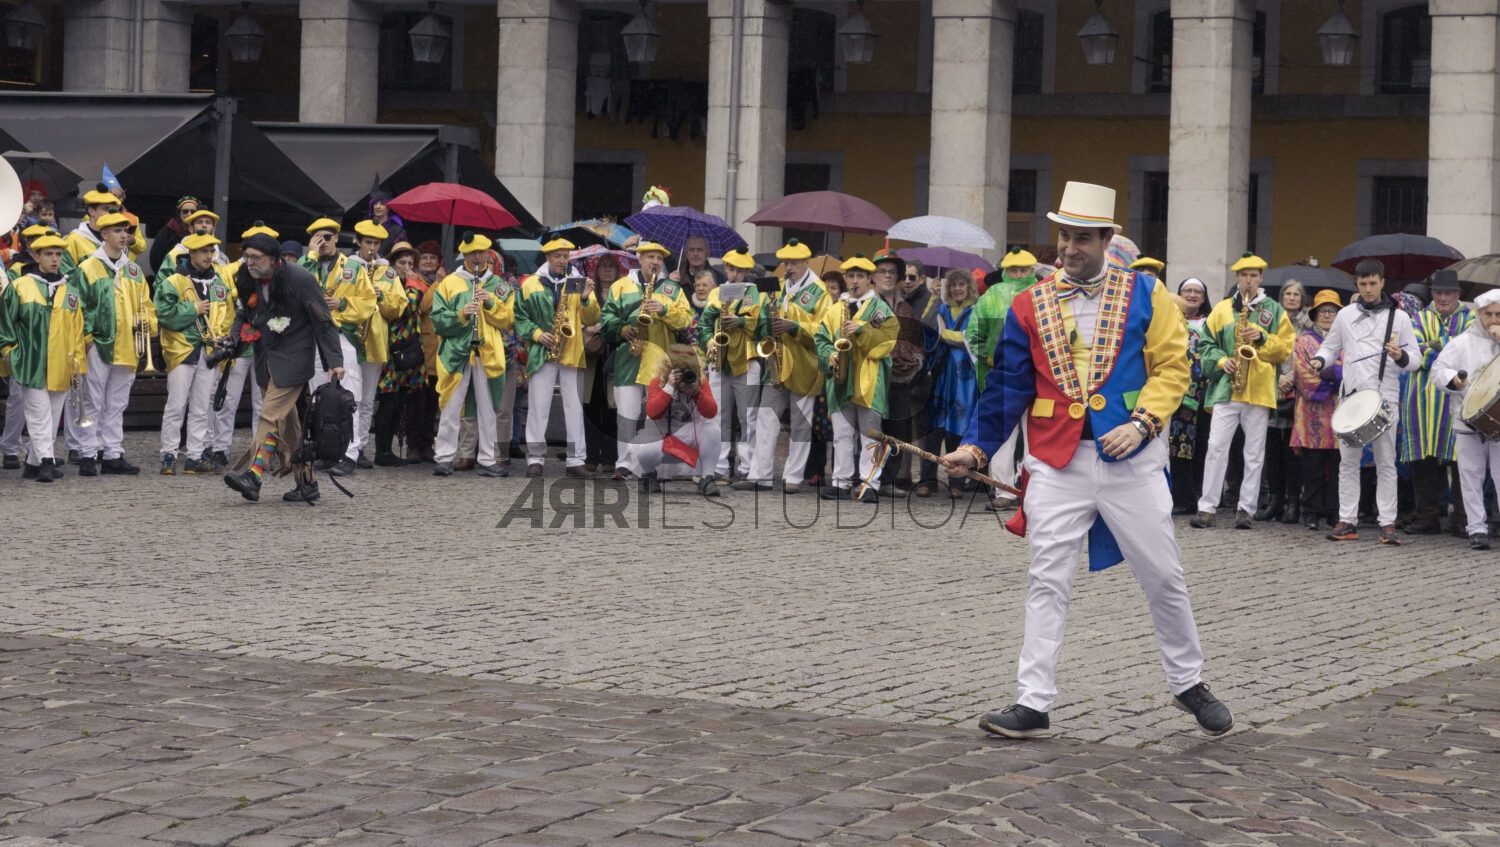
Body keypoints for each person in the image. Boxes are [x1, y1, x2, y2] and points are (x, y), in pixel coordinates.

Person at [940, 181, 1231, 740]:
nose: (1068, 248)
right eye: (1064, 237)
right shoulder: (1029, 303)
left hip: (1132, 459)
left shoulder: (1149, 293)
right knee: (1047, 579)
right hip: (1056, 460)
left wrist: (1143, 423)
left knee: (1163, 574)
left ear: (1105, 240)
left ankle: (1188, 682)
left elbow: (1173, 367)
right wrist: (975, 447)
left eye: (1081, 239)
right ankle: (1033, 702)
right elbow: (1007, 386)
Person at [223, 234, 346, 503]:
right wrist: (232, 342)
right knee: (289, 426)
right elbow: (244, 315)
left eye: (256, 257)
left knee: (269, 415)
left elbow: (322, 320)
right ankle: (307, 483)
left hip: (294, 358)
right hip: (265, 359)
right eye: (246, 256)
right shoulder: (247, 276)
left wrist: (335, 361)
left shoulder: (300, 278)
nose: (249, 262)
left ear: (272, 258)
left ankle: (254, 476)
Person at [1311, 259, 1421, 544]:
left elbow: (1416, 360)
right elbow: (1330, 346)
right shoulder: (1345, 315)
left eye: (1373, 283)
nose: (1368, 289)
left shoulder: (1399, 318)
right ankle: (1347, 520)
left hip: (1384, 398)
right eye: (1363, 284)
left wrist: (1400, 356)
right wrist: (1320, 360)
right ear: (1357, 284)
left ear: (1382, 282)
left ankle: (1388, 523)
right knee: (1348, 463)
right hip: (1352, 397)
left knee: (1386, 463)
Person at [1190, 253, 1294, 529]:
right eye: (1244, 275)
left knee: (1254, 452)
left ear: (1261, 278)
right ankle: (1207, 508)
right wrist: (1222, 361)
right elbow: (1206, 345)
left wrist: (1262, 337)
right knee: (1216, 447)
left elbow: (1285, 348)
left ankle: (1246, 509)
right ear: (1237, 278)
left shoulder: (1275, 310)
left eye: (1253, 276)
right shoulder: (1222, 309)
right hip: (1227, 388)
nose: (1248, 280)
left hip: (1259, 390)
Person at [735, 239, 830, 494]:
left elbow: (824, 330)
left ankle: (793, 477)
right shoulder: (777, 287)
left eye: (794, 263)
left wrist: (794, 326)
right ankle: (760, 475)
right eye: (786, 262)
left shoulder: (820, 291)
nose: (789, 267)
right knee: (765, 418)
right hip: (777, 361)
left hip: (805, 364)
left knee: (800, 423)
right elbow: (762, 320)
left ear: (806, 263)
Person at [73, 209, 153, 476]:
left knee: (118, 402)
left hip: (128, 344)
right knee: (93, 401)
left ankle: (113, 453)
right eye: (117, 231)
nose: (123, 235)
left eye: (126, 231)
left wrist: (147, 324)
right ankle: (87, 453)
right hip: (98, 344)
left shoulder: (134, 270)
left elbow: (146, 305)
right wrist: (87, 339)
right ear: (104, 234)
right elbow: (79, 308)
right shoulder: (87, 267)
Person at [0, 234, 86, 482]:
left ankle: (32, 463)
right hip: (30, 361)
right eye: (48, 254)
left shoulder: (70, 292)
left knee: (53, 413)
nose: (55, 259)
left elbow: (77, 332)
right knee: (39, 412)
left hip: (62, 363)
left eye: (58, 254)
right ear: (36, 256)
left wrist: (78, 366)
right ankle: (47, 460)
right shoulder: (20, 286)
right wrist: (9, 352)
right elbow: (6, 323)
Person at [601, 241, 688, 480]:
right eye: (650, 257)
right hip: (627, 360)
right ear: (639, 259)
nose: (655, 262)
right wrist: (621, 330)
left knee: (655, 418)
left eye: (659, 259)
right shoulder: (621, 286)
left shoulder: (672, 288)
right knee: (626, 417)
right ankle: (625, 464)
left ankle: (650, 465)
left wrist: (664, 310)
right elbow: (607, 318)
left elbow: (686, 319)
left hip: (659, 361)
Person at [816, 254, 898, 502]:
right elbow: (821, 339)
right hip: (840, 379)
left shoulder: (880, 309)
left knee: (870, 435)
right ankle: (841, 482)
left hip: (869, 380)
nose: (854, 281)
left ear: (869, 278)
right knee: (841, 434)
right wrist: (830, 355)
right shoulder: (835, 309)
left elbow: (888, 340)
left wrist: (861, 330)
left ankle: (869, 484)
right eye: (850, 276)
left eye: (860, 276)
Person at [431, 232, 514, 477]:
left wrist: (490, 303)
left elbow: (508, 320)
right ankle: (444, 457)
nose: (476, 258)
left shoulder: (500, 286)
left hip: (487, 352)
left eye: (480, 252)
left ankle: (488, 459)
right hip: (456, 352)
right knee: (450, 406)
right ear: (464, 255)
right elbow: (437, 321)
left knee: (488, 408)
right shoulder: (450, 283)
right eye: (471, 253)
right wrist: (461, 315)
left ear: (488, 254)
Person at [515, 237, 600, 477]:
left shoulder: (577, 281)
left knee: (574, 407)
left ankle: (576, 460)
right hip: (542, 350)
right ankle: (535, 459)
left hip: (571, 349)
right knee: (538, 407)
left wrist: (586, 298)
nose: (563, 260)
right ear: (548, 257)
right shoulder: (530, 284)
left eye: (565, 256)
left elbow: (592, 318)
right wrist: (537, 334)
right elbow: (519, 316)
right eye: (558, 256)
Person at [300, 217, 377, 477]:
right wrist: (310, 256)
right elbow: (294, 290)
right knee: (318, 397)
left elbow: (368, 302)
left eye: (328, 237)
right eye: (317, 238)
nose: (323, 242)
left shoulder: (353, 268)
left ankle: (350, 453)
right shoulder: (305, 265)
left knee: (348, 396)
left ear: (336, 238)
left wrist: (342, 304)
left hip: (342, 336)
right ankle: (327, 450)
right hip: (313, 337)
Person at [966, 247, 1042, 508]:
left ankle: (1033, 489)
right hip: (1002, 376)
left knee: (1035, 433)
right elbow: (973, 335)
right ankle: (1004, 491)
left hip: (1036, 377)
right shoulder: (992, 296)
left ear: (1032, 270)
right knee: (1002, 434)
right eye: (1014, 270)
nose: (1018, 274)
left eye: (1023, 270)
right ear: (1006, 270)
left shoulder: (1042, 293)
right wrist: (989, 358)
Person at [155, 232, 234, 475]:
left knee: (201, 407)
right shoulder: (174, 281)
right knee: (176, 405)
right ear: (191, 253)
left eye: (211, 251)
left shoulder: (219, 283)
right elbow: (163, 313)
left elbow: (228, 316)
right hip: (181, 349)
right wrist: (193, 309)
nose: (209, 256)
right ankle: (168, 454)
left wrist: (222, 337)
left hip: (209, 351)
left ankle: (195, 456)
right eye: (204, 251)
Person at [1401, 269, 1473, 535]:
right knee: (1423, 459)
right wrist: (1450, 347)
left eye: (1448, 293)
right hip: (1422, 399)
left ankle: (1463, 519)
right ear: (1432, 293)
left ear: (1458, 294)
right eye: (1438, 292)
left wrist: (1434, 345)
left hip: (1460, 398)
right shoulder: (1418, 318)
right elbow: (1415, 354)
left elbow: (1470, 353)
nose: (1443, 298)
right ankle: (1427, 516)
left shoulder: (1471, 318)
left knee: (1463, 459)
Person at [1432, 289, 1500, 550]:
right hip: (1467, 420)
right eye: (1488, 314)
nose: (1493, 319)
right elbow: (1438, 370)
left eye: (1498, 314)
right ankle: (1477, 529)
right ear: (1479, 314)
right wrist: (1453, 380)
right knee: (1470, 476)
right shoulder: (1462, 342)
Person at [212, 222, 278, 469]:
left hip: (266, 345)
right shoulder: (229, 271)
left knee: (264, 403)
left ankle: (261, 450)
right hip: (239, 342)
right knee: (229, 398)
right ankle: (220, 448)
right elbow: (223, 306)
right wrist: (229, 337)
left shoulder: (279, 273)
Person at [345, 220, 409, 468]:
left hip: (375, 340)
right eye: (368, 242)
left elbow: (398, 308)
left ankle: (360, 447)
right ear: (358, 242)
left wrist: (381, 297)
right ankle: (343, 446)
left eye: (376, 243)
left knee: (367, 398)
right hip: (350, 337)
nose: (372, 248)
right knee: (349, 396)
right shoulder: (346, 266)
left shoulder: (387, 272)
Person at [698, 247, 763, 481]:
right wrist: (709, 341)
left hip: (746, 360)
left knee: (748, 419)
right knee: (718, 418)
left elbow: (762, 324)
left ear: (747, 271)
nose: (735, 274)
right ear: (725, 268)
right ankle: (720, 467)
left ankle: (747, 468)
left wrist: (741, 322)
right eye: (731, 269)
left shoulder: (755, 292)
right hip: (719, 360)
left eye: (740, 270)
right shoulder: (717, 292)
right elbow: (704, 323)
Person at [880, 257, 939, 492]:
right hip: (884, 373)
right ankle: (890, 476)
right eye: (903, 277)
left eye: (911, 277)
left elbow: (927, 338)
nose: (906, 281)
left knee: (911, 428)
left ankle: (913, 478)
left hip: (914, 374)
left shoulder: (929, 303)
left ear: (922, 279)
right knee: (886, 428)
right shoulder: (891, 302)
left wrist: (916, 361)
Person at [920, 269, 979, 498]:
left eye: (962, 284)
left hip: (964, 379)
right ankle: (927, 481)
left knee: (958, 428)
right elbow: (929, 331)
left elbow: (970, 339)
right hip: (941, 375)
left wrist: (947, 334)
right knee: (933, 429)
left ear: (969, 287)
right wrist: (933, 299)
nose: (957, 289)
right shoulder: (941, 308)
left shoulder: (976, 310)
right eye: (953, 285)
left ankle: (957, 482)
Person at [636, 343, 721, 496]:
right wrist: (669, 387)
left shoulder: (700, 382)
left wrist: (696, 393)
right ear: (667, 368)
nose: (682, 374)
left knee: (712, 428)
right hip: (662, 436)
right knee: (645, 447)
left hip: (689, 436)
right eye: (677, 370)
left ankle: (707, 477)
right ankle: (649, 474)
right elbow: (653, 413)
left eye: (686, 369)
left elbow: (711, 412)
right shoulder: (658, 382)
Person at [1292, 290, 1344, 531]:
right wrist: (1335, 379)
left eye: (1332, 311)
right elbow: (1303, 376)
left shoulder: (1347, 341)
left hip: (1343, 411)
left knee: (1339, 465)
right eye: (1322, 311)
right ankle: (1311, 512)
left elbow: (1353, 370)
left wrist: (1329, 373)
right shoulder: (1303, 342)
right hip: (1313, 413)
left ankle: (1335, 511)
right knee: (1313, 466)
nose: (1327, 315)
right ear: (1314, 315)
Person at [371, 242, 427, 466]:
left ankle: (388, 450)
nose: (406, 267)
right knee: (389, 402)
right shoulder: (389, 282)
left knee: (400, 401)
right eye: (402, 263)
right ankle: (382, 451)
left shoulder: (413, 283)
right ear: (392, 264)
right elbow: (407, 307)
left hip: (408, 350)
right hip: (390, 350)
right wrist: (414, 284)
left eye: (410, 264)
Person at [1260, 281, 1310, 522]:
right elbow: (1263, 352)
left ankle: (1293, 503)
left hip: (1297, 391)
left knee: (1292, 452)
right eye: (1287, 293)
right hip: (1271, 387)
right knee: (1272, 449)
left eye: (1296, 294)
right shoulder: (1269, 321)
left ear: (1302, 298)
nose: (1291, 298)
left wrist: (1290, 379)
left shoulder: (1308, 325)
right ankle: (1274, 500)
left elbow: (1308, 355)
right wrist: (1277, 379)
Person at [1170, 278, 1212, 515]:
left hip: (1200, 397)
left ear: (1204, 298)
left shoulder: (1208, 324)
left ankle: (1193, 497)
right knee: (1177, 449)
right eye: (1188, 290)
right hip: (1173, 395)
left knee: (1198, 448)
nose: (1192, 295)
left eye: (1197, 291)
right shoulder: (1169, 322)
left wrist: (1190, 399)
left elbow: (1197, 364)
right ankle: (1180, 497)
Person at [580, 254, 621, 475]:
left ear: (617, 270)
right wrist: (587, 329)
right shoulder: (589, 292)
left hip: (613, 354)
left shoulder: (622, 292)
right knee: (591, 406)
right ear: (596, 270)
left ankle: (610, 457)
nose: (607, 270)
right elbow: (576, 315)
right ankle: (591, 455)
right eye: (603, 266)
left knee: (611, 407)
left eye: (611, 266)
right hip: (592, 356)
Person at [61, 184, 123, 276]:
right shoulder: (74, 240)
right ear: (91, 211)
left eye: (113, 210)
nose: (110, 213)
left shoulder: (116, 238)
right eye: (105, 209)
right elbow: (66, 275)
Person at [154, 209, 226, 286]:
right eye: (199, 222)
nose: (204, 225)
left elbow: (226, 287)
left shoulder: (222, 258)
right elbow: (161, 286)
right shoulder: (174, 255)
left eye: (208, 222)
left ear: (214, 229)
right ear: (191, 228)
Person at [147, 195, 202, 274]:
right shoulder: (167, 231)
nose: (189, 214)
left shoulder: (202, 232)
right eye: (185, 211)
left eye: (193, 212)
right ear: (179, 213)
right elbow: (155, 259)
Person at [368, 190, 408, 254]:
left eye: (382, 204)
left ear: (389, 207)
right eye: (375, 203)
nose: (377, 207)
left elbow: (402, 254)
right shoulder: (366, 226)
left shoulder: (396, 231)